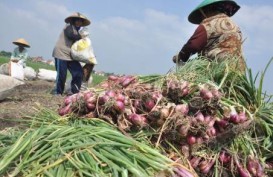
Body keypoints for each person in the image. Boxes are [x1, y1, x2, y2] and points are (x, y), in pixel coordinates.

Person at [173, 0, 246, 71]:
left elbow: (193, 45)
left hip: (217, 68)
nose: (202, 18)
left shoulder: (208, 24)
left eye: (201, 15)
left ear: (206, 11)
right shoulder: (235, 25)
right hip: (238, 68)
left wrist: (180, 56)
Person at [52, 12, 91, 95]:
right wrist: (82, 37)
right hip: (61, 53)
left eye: (80, 22)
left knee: (78, 72)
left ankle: (74, 92)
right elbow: (71, 36)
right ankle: (58, 93)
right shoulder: (68, 27)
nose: (79, 23)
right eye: (77, 21)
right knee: (62, 75)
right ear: (73, 21)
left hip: (71, 56)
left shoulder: (79, 33)